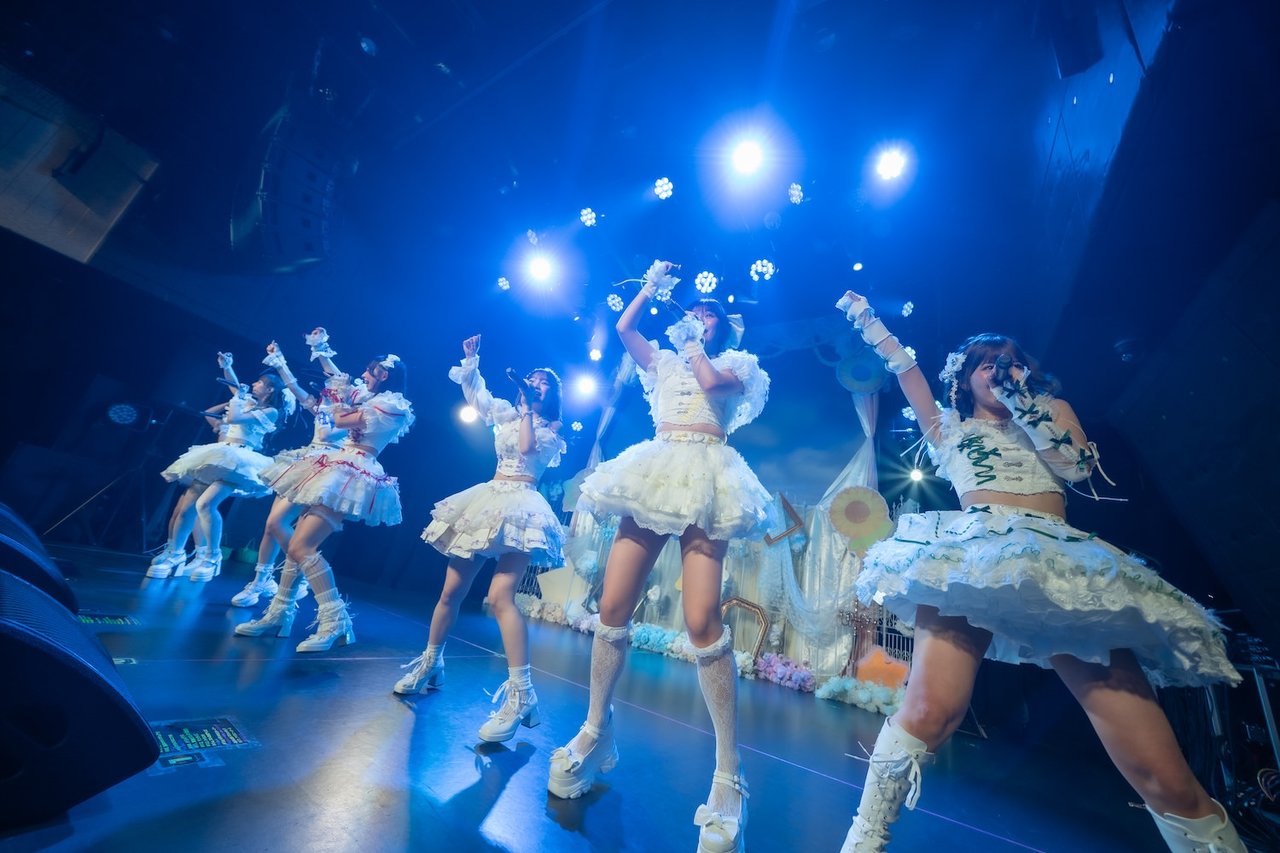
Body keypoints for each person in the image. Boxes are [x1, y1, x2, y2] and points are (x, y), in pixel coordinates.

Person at [834, 291, 1244, 853]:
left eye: (1009, 362)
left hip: (1061, 568)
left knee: (1162, 773)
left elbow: (1075, 467)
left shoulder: (1051, 411)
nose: (998, 370)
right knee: (929, 710)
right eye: (986, 364)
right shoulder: (948, 427)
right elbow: (906, 371)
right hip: (974, 561)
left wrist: (1025, 403)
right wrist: (869, 321)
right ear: (965, 379)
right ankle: (862, 841)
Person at [547, 261, 773, 853]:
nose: (699, 317)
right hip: (657, 468)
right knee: (612, 606)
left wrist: (694, 341)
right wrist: (650, 287)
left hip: (708, 476)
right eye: (693, 311)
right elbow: (625, 330)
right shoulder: (665, 361)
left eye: (708, 314)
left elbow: (714, 385)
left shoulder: (738, 362)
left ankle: (729, 772)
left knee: (701, 620)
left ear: (723, 326)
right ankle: (596, 728)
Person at [397, 334, 567, 744]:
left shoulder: (551, 429)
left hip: (522, 506)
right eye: (532, 378)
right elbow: (478, 398)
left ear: (552, 395)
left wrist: (527, 410)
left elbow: (526, 447)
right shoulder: (506, 412)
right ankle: (431, 662)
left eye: (543, 382)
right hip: (488, 498)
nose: (535, 383)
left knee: (500, 596)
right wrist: (471, 361)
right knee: (450, 592)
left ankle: (522, 693)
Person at [234, 353, 413, 652]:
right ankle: (280, 613)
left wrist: (338, 394)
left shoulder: (393, 405)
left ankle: (335, 620)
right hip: (335, 465)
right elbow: (340, 383)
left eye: (369, 371)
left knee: (301, 547)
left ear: (384, 375)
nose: (363, 375)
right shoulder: (369, 397)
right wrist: (322, 352)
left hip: (352, 472)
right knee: (296, 546)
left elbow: (341, 419)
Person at [229, 329, 361, 607]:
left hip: (327, 468)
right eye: (329, 387)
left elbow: (330, 428)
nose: (329, 389)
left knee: (283, 525)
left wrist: (322, 350)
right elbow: (292, 385)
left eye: (335, 388)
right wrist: (279, 361)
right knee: (271, 525)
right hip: (304, 462)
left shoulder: (349, 416)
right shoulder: (321, 406)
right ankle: (261, 580)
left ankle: (303, 569)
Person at [147, 352, 286, 582]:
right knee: (186, 509)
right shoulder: (249, 402)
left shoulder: (271, 412)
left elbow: (233, 418)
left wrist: (239, 398)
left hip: (239, 461)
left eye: (259, 383)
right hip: (220, 455)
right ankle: (175, 553)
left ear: (270, 390)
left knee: (206, 504)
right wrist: (227, 366)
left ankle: (212, 557)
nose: (254, 384)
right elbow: (235, 386)